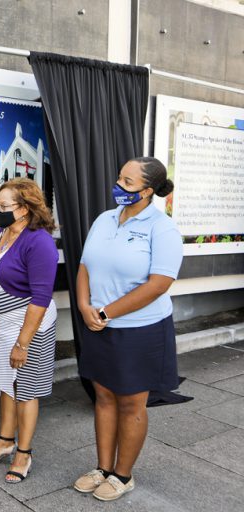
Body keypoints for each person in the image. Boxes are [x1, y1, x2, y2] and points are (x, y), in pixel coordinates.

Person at [73, 157, 182, 502]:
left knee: (131, 403)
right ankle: (103, 468)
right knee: (104, 397)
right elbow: (85, 266)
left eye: (128, 182)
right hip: (98, 324)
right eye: (120, 178)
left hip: (140, 329)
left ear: (148, 191)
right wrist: (84, 306)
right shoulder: (104, 219)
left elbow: (158, 284)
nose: (119, 186)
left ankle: (123, 475)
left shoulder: (162, 228)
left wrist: (107, 312)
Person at [0, 178, 58, 484]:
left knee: (26, 390)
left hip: (31, 325)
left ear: (24, 208)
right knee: (6, 384)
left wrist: (23, 343)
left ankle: (24, 453)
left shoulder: (40, 242)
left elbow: (41, 298)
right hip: (3, 322)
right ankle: (5, 441)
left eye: (3, 206)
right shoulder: (1, 233)